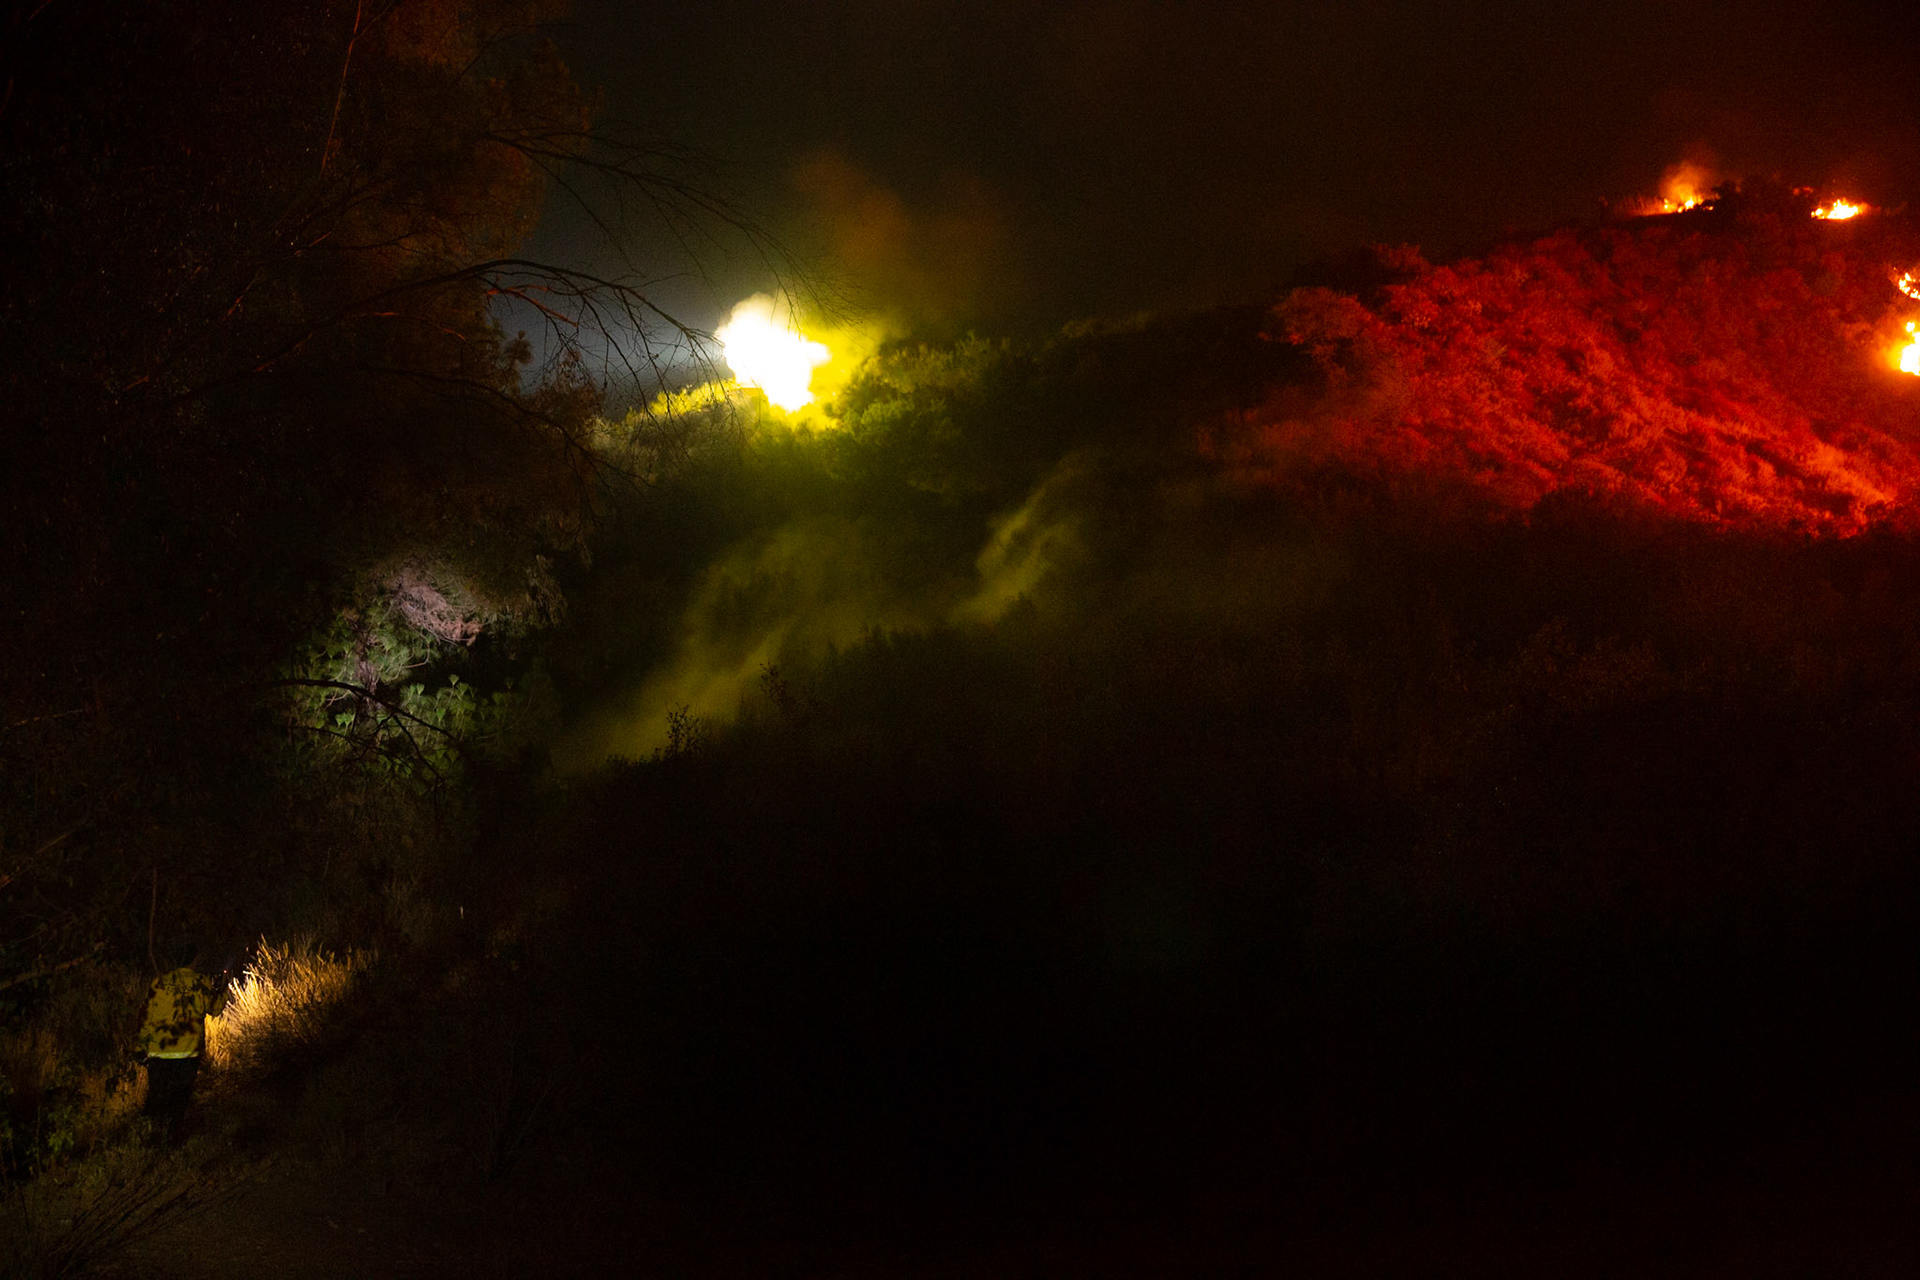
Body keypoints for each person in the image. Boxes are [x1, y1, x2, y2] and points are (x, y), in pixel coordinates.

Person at [136, 956, 229, 1139]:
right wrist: (222, 989)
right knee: (179, 1100)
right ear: (194, 960)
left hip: (158, 1052)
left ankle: (145, 1138)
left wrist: (141, 1046)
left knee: (156, 1097)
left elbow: (147, 1016)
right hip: (186, 1053)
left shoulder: (159, 983)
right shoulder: (199, 982)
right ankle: (172, 1139)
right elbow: (215, 1009)